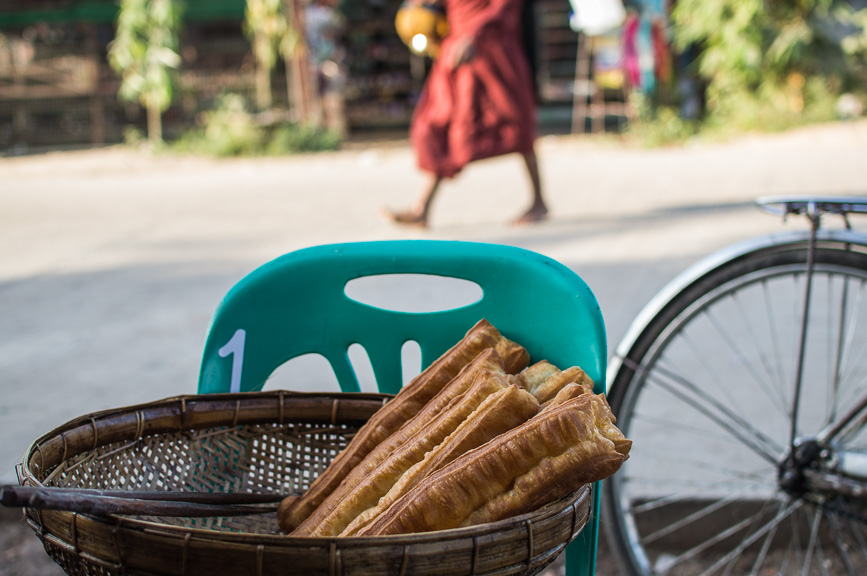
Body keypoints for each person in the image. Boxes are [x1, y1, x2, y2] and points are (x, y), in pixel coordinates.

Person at [383, 0, 549, 228]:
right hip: (456, 51)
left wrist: (474, 36)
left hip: (493, 50)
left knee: (515, 124)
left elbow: (505, 7)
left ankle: (539, 201)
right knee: (443, 123)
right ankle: (422, 208)